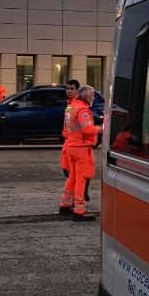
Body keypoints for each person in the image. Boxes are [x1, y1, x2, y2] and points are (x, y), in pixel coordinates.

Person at [59, 84, 102, 221]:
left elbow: (65, 129)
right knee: (81, 179)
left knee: (72, 177)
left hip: (71, 146)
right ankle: (79, 211)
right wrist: (102, 128)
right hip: (81, 148)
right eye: (92, 95)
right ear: (87, 96)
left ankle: (65, 205)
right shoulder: (83, 109)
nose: (93, 97)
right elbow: (87, 130)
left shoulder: (71, 107)